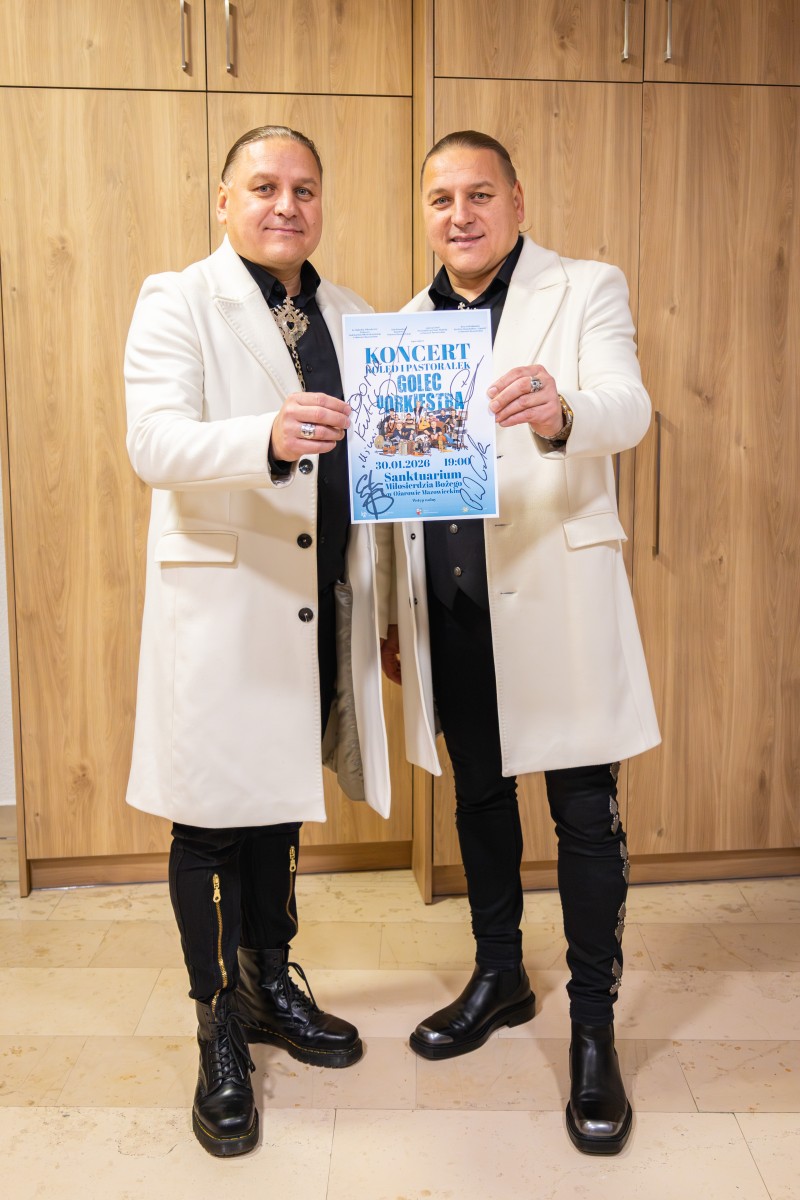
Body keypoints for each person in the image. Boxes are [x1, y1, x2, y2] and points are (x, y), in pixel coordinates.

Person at [380, 131, 660, 1156]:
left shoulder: (584, 288)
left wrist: (560, 411)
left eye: (479, 194)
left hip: (556, 594)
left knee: (583, 814)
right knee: (479, 797)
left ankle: (592, 1030)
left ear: (516, 200)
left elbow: (627, 406)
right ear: (425, 212)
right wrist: (394, 610)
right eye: (440, 199)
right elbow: (390, 488)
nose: (459, 215)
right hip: (452, 604)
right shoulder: (400, 331)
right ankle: (499, 975)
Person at [124, 125, 392, 1157]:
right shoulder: (177, 298)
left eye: (305, 189)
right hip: (224, 604)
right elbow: (154, 441)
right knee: (208, 821)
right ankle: (216, 1030)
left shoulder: (352, 314)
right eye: (265, 186)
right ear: (224, 200)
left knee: (279, 805)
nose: (287, 205)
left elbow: (380, 460)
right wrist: (264, 439)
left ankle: (268, 985)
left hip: (315, 597)